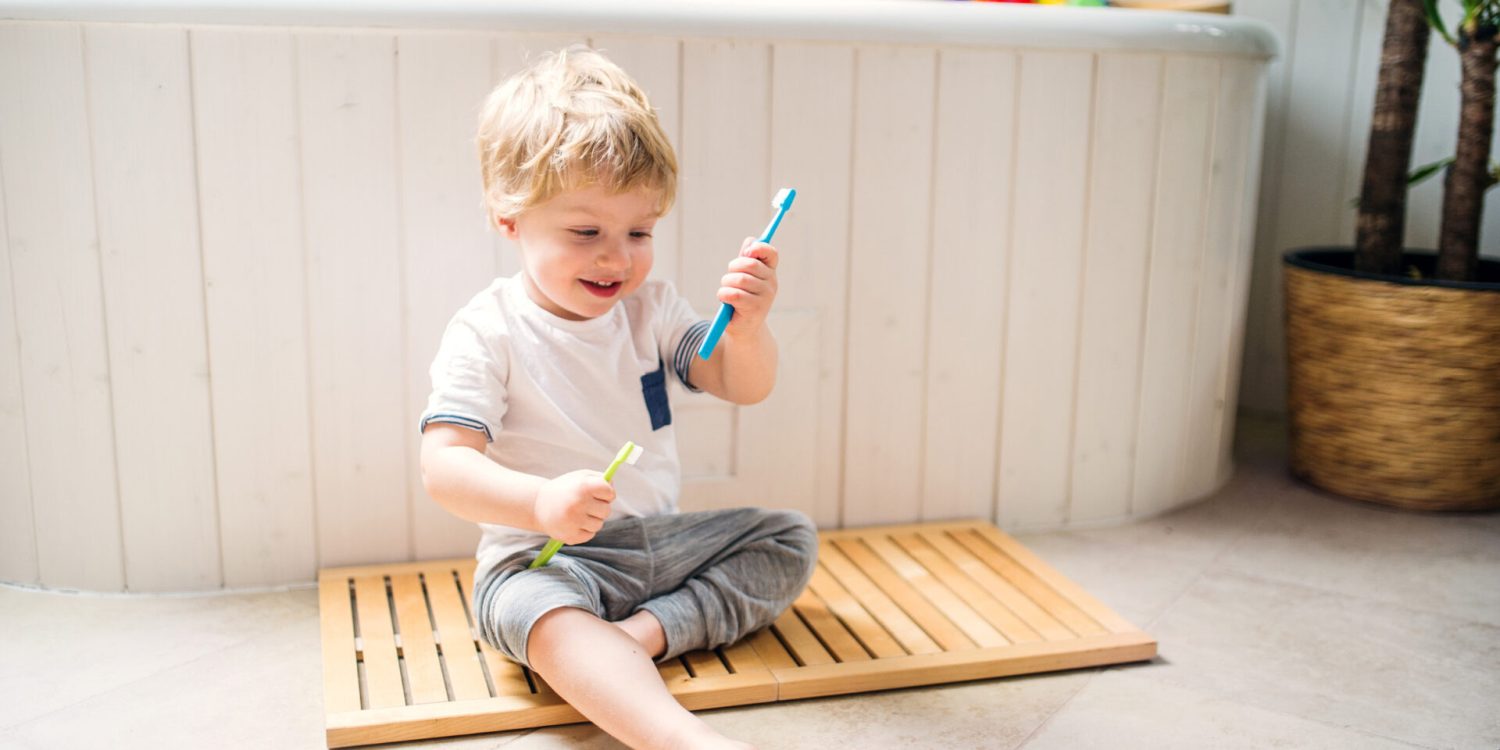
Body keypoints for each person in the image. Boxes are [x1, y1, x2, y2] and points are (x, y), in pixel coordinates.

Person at [418, 45, 817, 750]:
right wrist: (539, 504)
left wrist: (749, 329)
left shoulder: (653, 310)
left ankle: (635, 639)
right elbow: (445, 469)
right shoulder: (488, 331)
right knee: (534, 614)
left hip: (656, 544)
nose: (617, 257)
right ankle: (681, 738)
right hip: (545, 557)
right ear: (509, 219)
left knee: (788, 538)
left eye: (639, 232)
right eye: (586, 232)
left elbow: (741, 383)